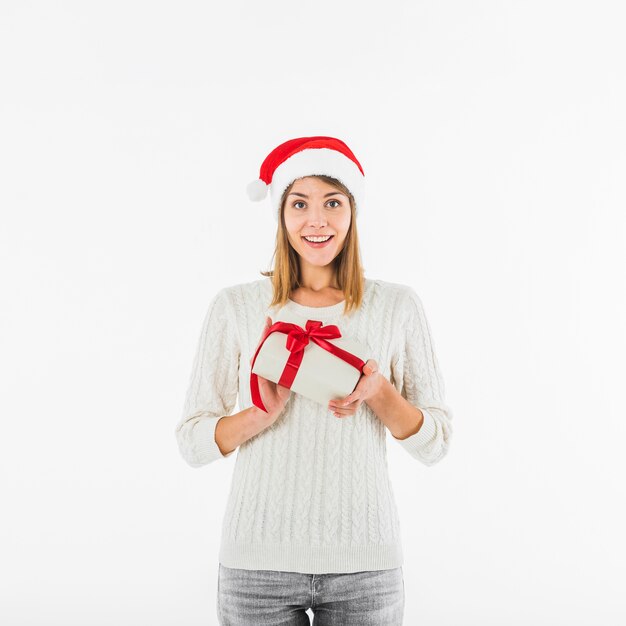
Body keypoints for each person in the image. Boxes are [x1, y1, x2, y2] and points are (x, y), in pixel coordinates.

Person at [174, 135, 454, 626]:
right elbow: (193, 442)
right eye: (300, 203)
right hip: (256, 565)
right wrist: (260, 415)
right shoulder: (236, 306)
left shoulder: (396, 306)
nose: (317, 220)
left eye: (333, 202)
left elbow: (436, 445)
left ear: (353, 213)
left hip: (364, 566)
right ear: (281, 215)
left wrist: (380, 393)